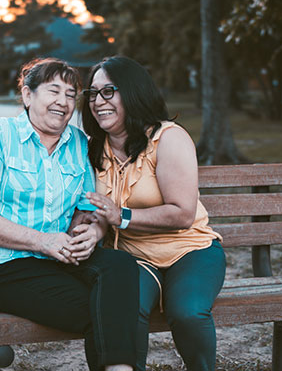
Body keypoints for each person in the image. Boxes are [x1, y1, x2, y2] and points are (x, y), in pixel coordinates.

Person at [0, 58, 139, 371]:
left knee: (120, 265)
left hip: (58, 261)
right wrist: (42, 241)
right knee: (105, 310)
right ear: (27, 95)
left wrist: (92, 231)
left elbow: (88, 210)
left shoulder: (78, 143)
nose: (63, 102)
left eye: (70, 94)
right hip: (1, 268)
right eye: (54, 91)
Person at [81, 56, 226, 371]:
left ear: (132, 92)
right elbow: (96, 210)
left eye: (109, 91)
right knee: (120, 311)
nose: (97, 101)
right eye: (92, 93)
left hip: (190, 251)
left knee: (187, 312)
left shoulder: (168, 138)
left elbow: (183, 213)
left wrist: (123, 217)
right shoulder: (93, 148)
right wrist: (93, 228)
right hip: (133, 258)